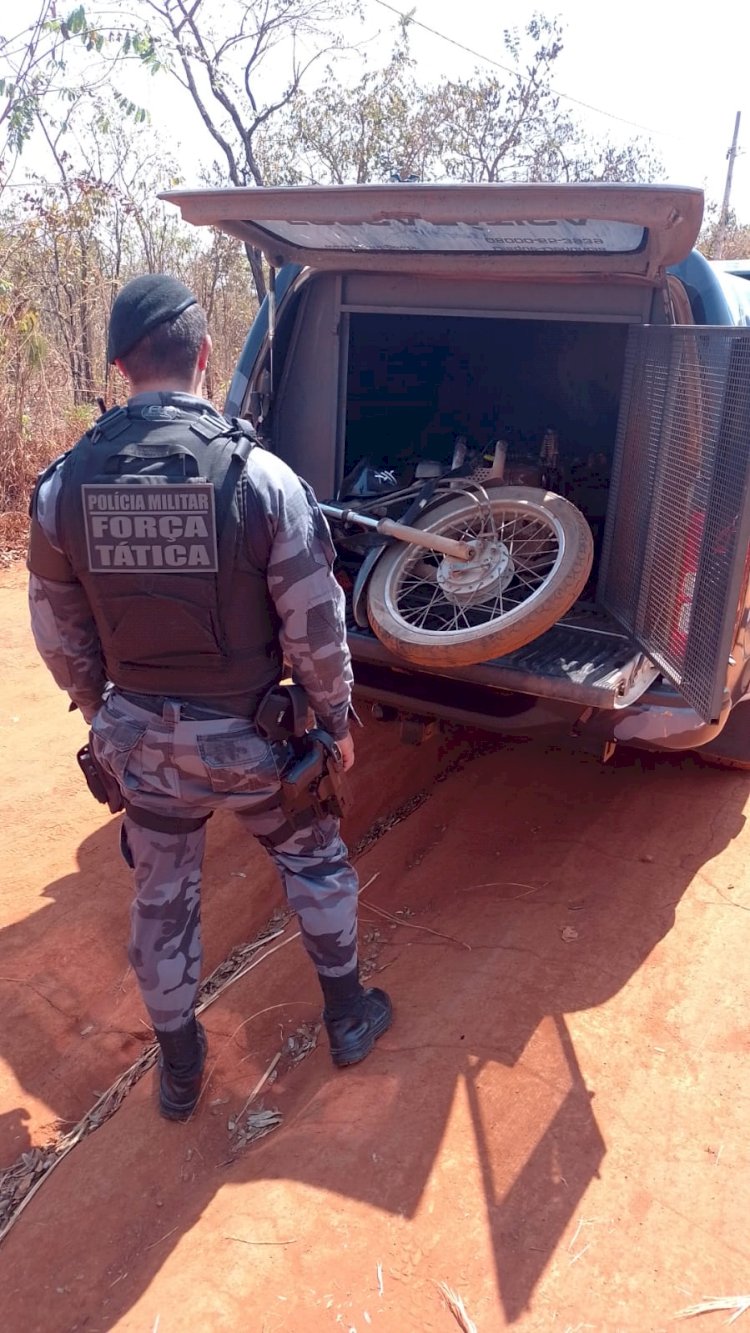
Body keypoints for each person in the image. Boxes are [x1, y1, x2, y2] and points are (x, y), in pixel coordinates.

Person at [27, 274, 392, 1121]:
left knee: (160, 898)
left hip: (143, 745)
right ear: (203, 355)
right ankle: (347, 1017)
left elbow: (56, 629)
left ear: (119, 364)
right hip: (255, 743)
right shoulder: (260, 477)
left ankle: (182, 1068)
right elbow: (316, 626)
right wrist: (335, 722)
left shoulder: (62, 488)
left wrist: (99, 713)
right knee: (314, 859)